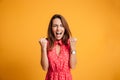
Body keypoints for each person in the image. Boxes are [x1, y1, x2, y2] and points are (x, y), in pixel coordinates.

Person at [39, 14, 77, 80]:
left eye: (61, 26)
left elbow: (73, 66)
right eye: (55, 26)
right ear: (51, 28)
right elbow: (45, 68)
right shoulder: (46, 43)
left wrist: (73, 48)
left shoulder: (69, 43)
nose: (58, 29)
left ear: (65, 28)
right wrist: (43, 48)